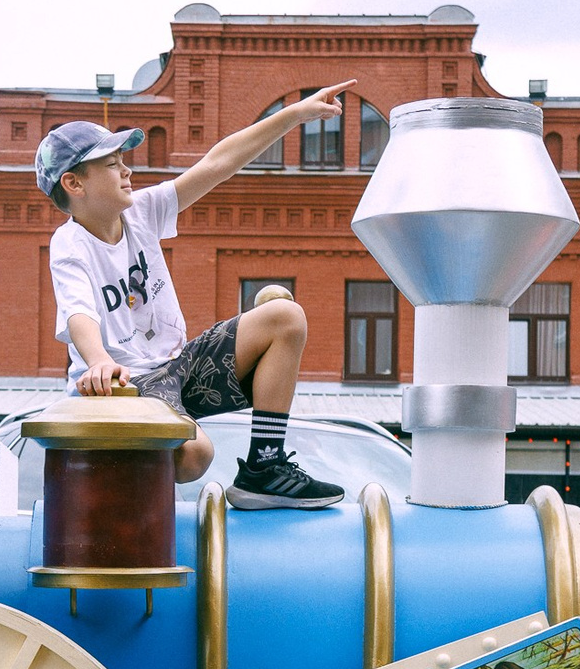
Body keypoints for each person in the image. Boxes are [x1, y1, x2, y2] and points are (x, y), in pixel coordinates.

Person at [36, 88, 351, 509]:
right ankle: (121, 492)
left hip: (178, 369)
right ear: (74, 183)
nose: (127, 171)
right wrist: (98, 362)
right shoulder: (70, 244)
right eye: (112, 165)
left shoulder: (143, 211)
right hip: (127, 386)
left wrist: (292, 115)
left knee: (284, 317)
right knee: (195, 454)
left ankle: (264, 467)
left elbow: (218, 163)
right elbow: (79, 312)